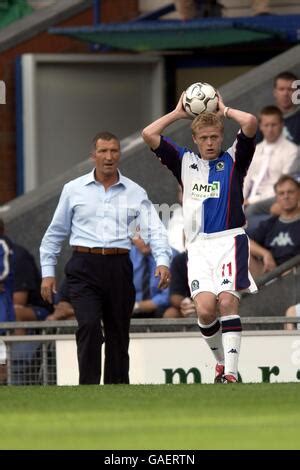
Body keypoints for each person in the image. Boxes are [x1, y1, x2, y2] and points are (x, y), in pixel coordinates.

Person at [142, 92, 258, 384]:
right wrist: (178, 114)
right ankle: (221, 363)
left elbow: (251, 122)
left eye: (214, 137)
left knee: (228, 303)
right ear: (195, 139)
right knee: (205, 310)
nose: (209, 143)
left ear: (221, 137)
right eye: (204, 137)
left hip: (230, 241)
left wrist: (225, 109)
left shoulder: (234, 159)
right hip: (198, 247)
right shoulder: (184, 161)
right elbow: (148, 133)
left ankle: (231, 374)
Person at [40, 131, 171, 385]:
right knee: (88, 325)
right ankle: (88, 389)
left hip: (119, 266)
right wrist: (47, 272)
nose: (108, 157)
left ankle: (117, 392)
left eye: (113, 151)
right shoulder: (73, 189)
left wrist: (163, 261)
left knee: (118, 334)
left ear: (120, 155)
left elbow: (155, 230)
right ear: (93, 156)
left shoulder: (135, 191)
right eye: (103, 151)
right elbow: (55, 233)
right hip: (83, 266)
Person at [244, 105, 299, 233]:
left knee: (251, 210)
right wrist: (240, 198)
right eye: (266, 125)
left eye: (274, 125)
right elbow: (246, 178)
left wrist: (251, 201)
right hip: (249, 198)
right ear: (260, 126)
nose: (270, 129)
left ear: (281, 125)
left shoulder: (293, 151)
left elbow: (284, 185)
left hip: (274, 196)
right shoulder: (255, 149)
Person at [249, 175, 300, 277]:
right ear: (277, 198)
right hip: (270, 274)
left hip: (295, 275)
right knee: (241, 253)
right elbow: (246, 243)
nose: (286, 196)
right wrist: (265, 254)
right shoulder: (270, 223)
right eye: (281, 193)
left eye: (290, 192)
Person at [164, 251, 196, 318]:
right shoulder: (180, 259)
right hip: (191, 305)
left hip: (215, 304)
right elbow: (175, 295)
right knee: (171, 314)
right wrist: (186, 305)